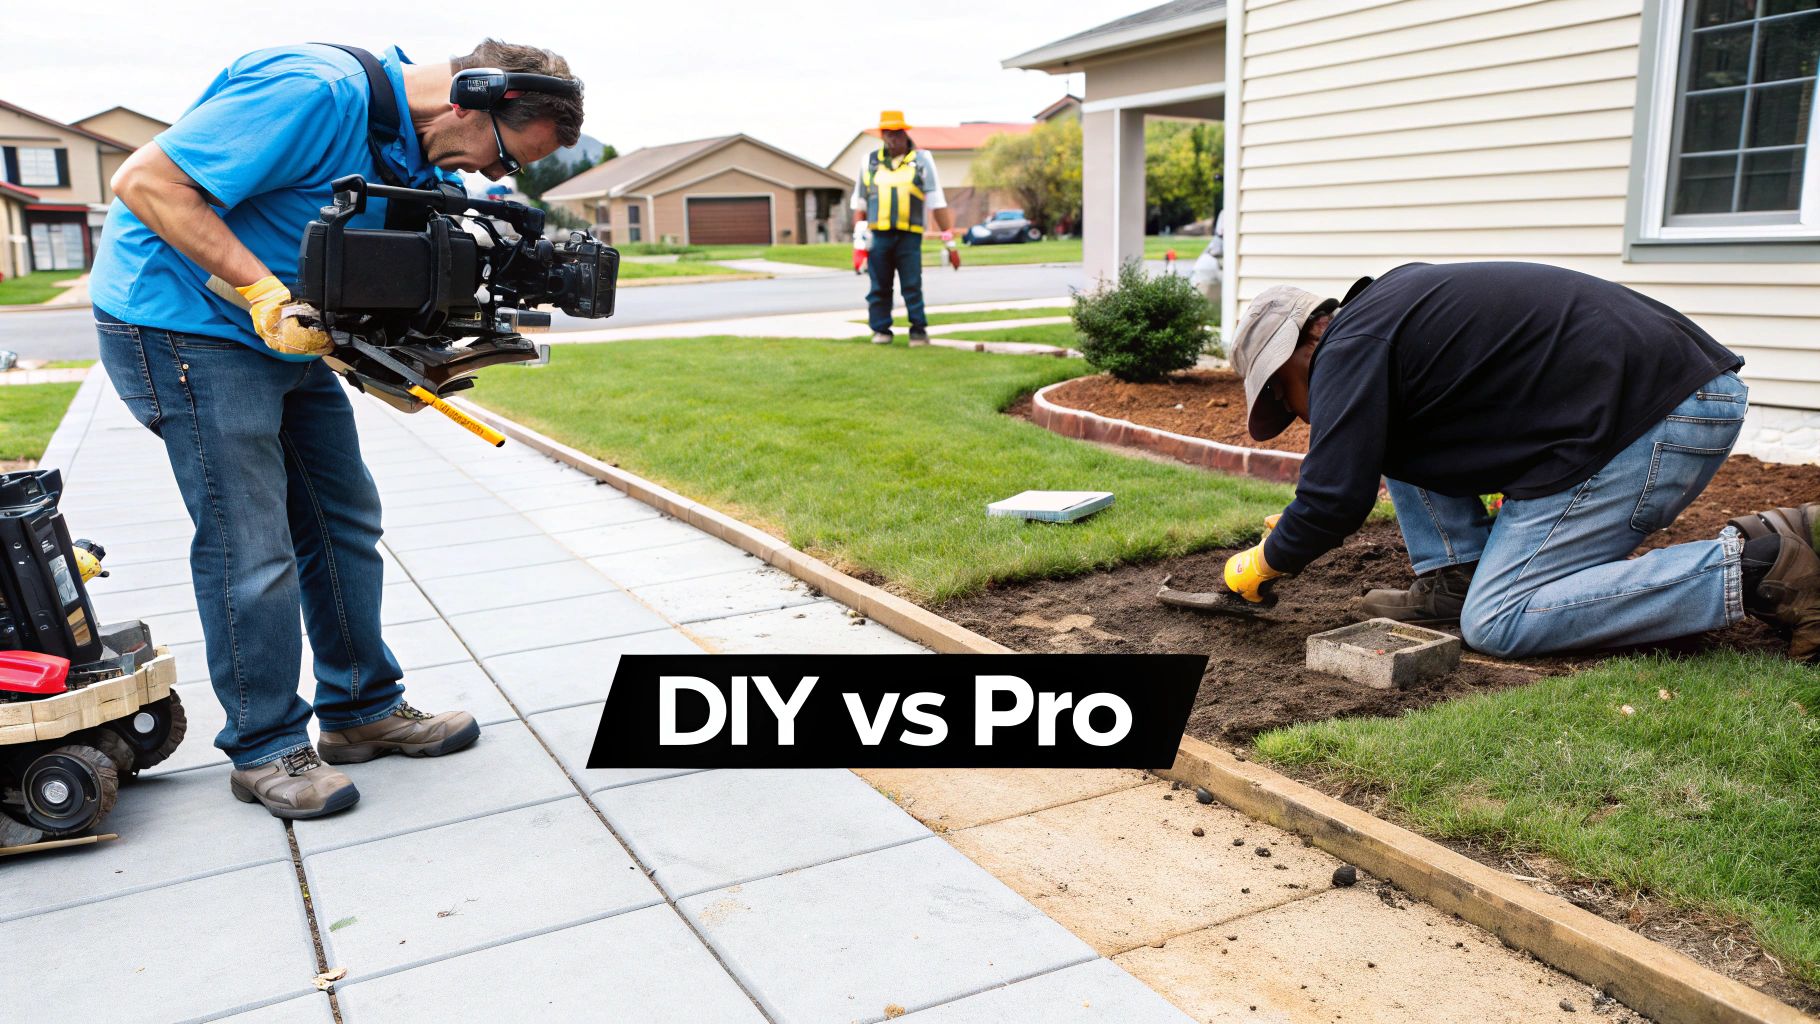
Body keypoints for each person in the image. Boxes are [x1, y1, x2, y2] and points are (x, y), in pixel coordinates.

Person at [87, 40, 584, 818]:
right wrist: (260, 292)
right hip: (179, 321)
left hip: (280, 331)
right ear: (469, 100)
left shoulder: (413, 153)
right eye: (503, 154)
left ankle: (361, 710)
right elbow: (145, 182)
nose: (491, 175)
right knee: (251, 540)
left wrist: (402, 360)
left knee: (343, 517)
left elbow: (357, 270)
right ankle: (264, 746)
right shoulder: (310, 93)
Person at [1220, 261, 1819, 663]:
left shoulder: (1350, 346)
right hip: (1658, 400)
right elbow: (1347, 473)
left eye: (1283, 397)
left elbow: (1333, 502)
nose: (1301, 416)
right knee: (1385, 436)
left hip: (1658, 415)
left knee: (1499, 622)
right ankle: (1456, 575)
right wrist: (1304, 519)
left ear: (1303, 346)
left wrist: (1261, 564)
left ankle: (1762, 566)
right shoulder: (1383, 319)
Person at [851, 111, 958, 347]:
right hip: (879, 235)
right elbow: (860, 203)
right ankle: (881, 330)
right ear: (882, 134)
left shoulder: (921, 160)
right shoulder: (869, 162)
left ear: (904, 132)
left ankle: (918, 330)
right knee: (879, 285)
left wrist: (949, 242)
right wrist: (859, 245)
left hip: (909, 235)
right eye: (888, 132)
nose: (893, 138)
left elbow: (936, 202)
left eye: (897, 132)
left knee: (911, 284)